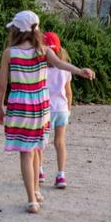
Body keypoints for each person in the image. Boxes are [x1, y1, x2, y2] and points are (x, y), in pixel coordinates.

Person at [0, 11, 94, 213]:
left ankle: (32, 199)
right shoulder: (44, 50)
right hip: (40, 107)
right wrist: (79, 70)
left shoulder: (10, 53)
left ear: (16, 30)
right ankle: (37, 191)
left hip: (19, 106)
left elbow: (2, 85)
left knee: (26, 153)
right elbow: (60, 64)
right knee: (37, 148)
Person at [38, 31, 72, 189]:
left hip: (45, 110)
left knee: (40, 143)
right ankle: (61, 175)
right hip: (62, 109)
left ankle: (39, 171)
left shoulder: (40, 69)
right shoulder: (65, 69)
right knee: (60, 142)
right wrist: (69, 108)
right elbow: (68, 92)